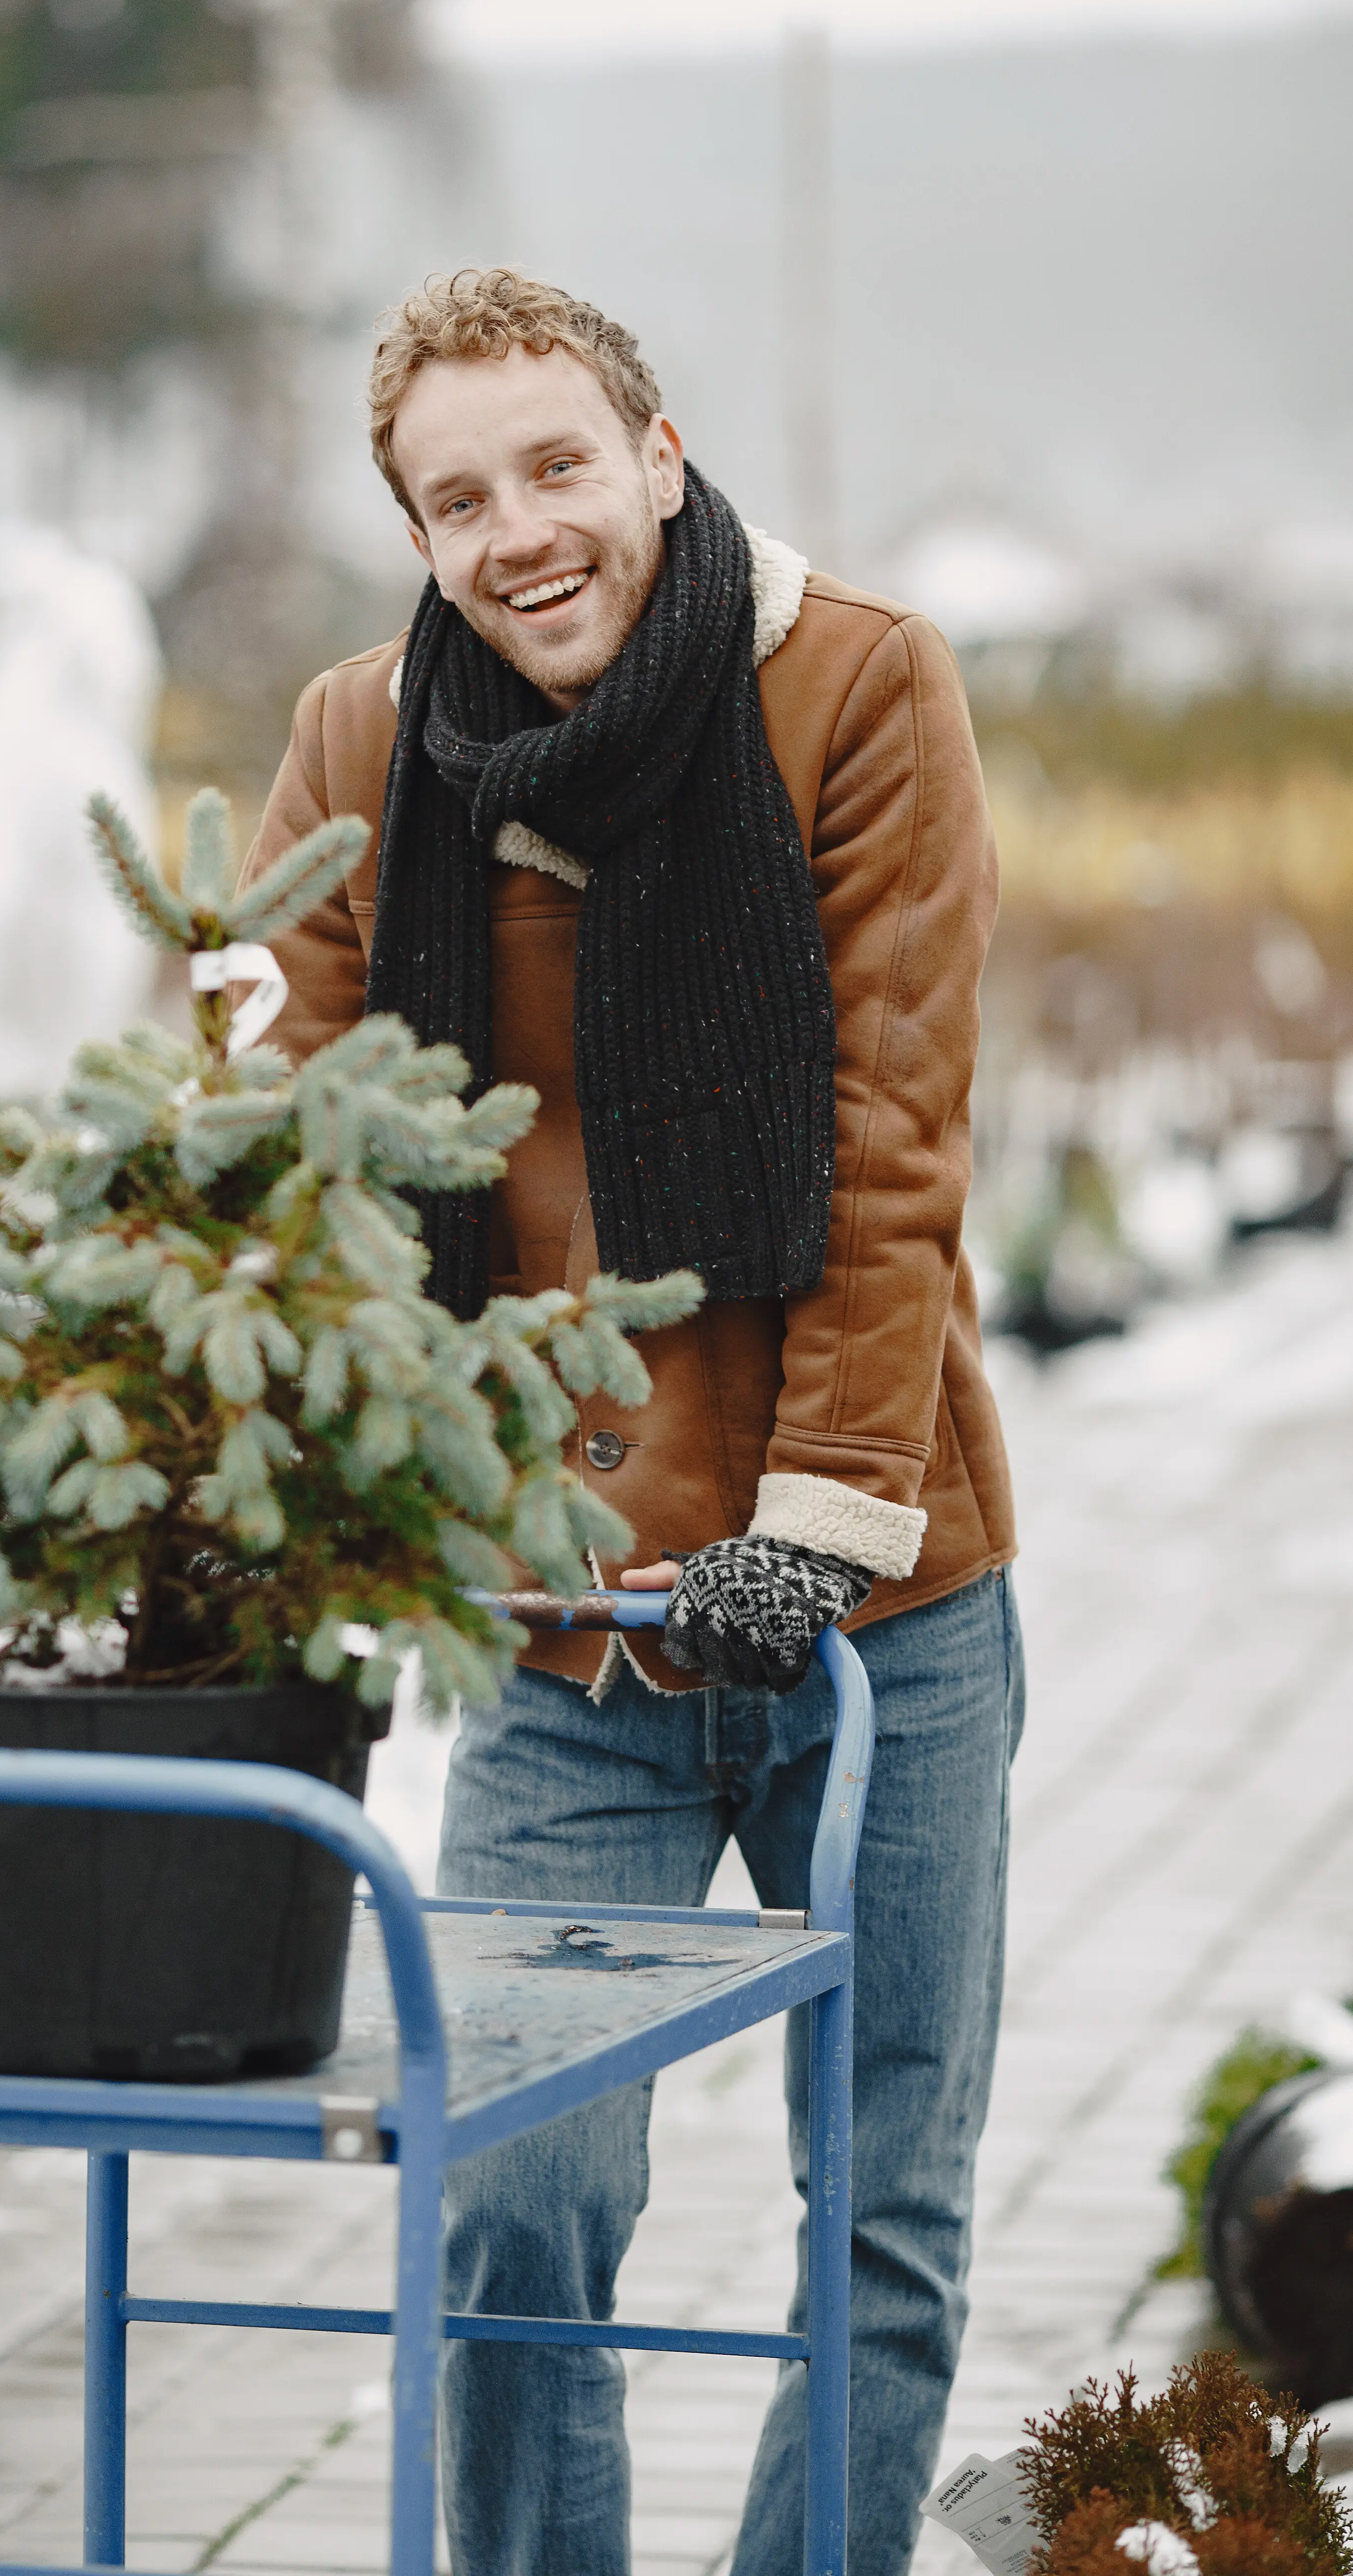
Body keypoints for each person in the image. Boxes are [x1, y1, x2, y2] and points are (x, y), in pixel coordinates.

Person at [239, 267, 1020, 2576]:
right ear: (417, 530)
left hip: (877, 1603)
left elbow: (893, 1137)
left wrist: (825, 1520)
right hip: (563, 1617)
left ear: (656, 456)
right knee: (515, 2205)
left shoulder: (855, 686)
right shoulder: (370, 743)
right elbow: (277, 1137)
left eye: (558, 465)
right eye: (457, 497)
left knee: (880, 2199)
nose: (522, 531)